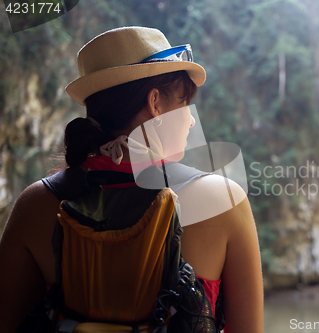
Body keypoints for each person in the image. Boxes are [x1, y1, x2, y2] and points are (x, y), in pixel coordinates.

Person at [0, 26, 264, 333]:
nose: (191, 119)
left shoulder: (35, 205)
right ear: (155, 103)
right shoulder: (224, 203)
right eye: (183, 103)